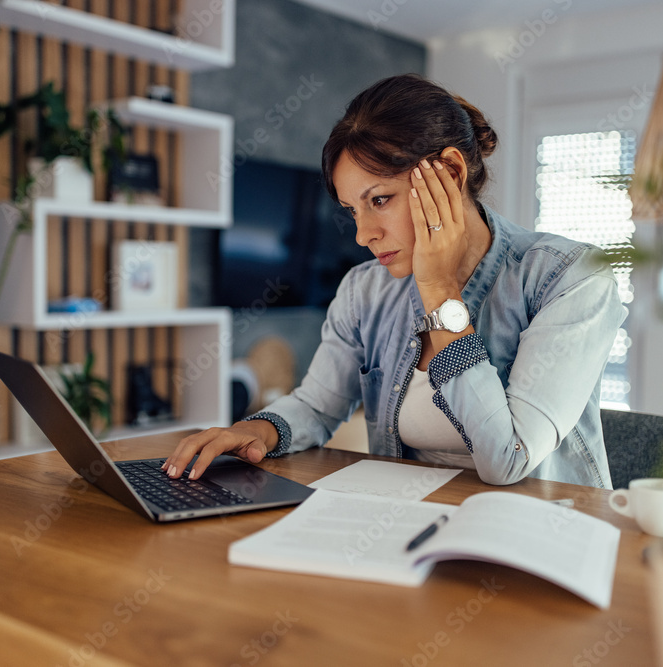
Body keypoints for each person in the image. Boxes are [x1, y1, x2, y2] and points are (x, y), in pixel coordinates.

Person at [164, 73, 626, 488]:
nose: (363, 235)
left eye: (380, 199)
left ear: (449, 172)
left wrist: (439, 291)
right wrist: (255, 429)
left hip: (539, 540)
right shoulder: (365, 290)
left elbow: (506, 460)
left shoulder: (569, 277)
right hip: (406, 529)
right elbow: (319, 405)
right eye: (352, 210)